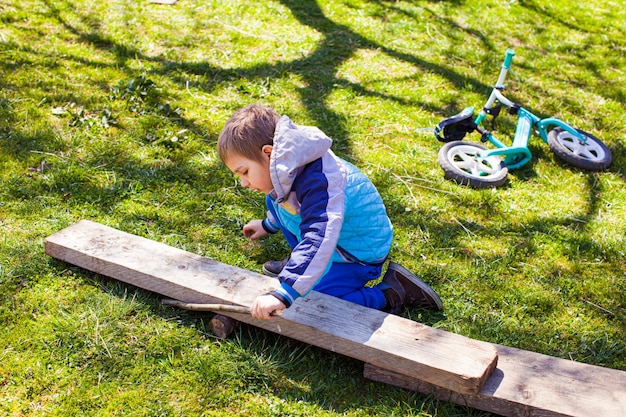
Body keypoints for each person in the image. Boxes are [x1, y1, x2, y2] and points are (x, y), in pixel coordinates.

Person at [217, 104, 443, 320]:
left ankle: (394, 292)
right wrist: (267, 225)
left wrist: (286, 292)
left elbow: (319, 236)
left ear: (268, 153)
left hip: (356, 255)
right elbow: (286, 203)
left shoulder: (321, 184)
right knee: (272, 196)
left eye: (244, 172)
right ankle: (301, 264)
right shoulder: (286, 170)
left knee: (313, 300)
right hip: (335, 243)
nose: (243, 183)